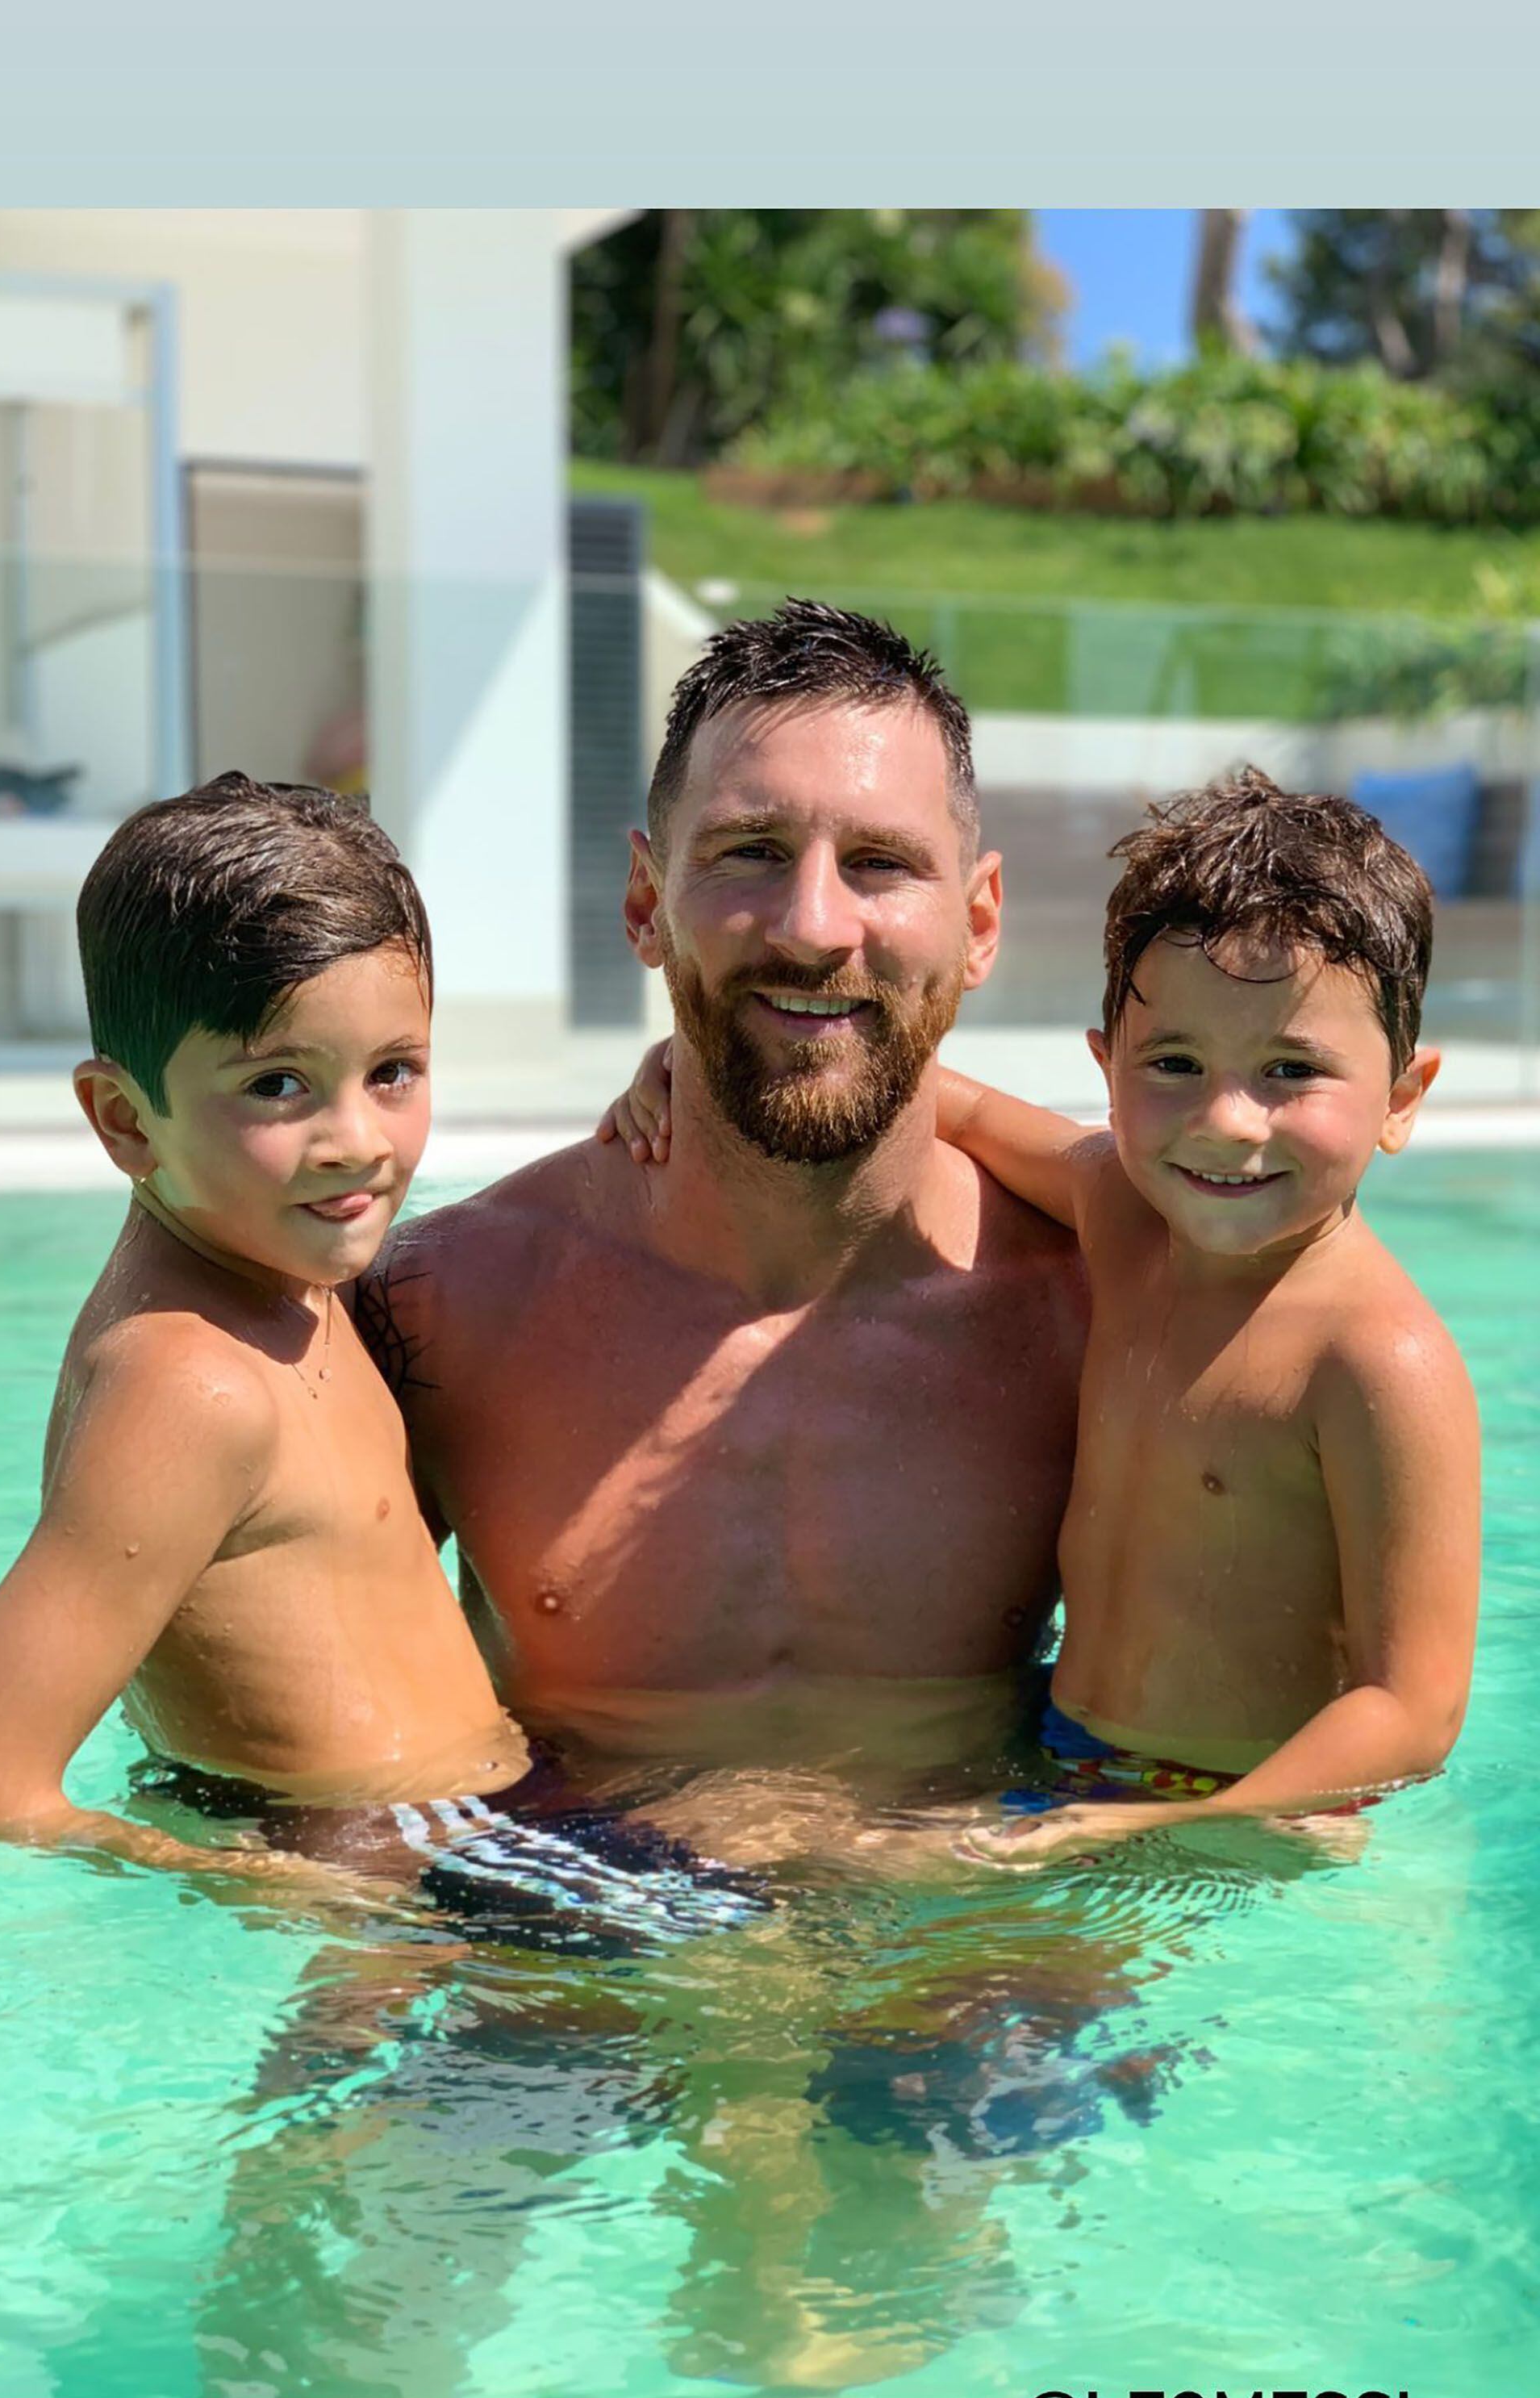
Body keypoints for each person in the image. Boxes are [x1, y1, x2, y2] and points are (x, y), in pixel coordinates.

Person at [611, 767, 1481, 1858]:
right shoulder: (1119, 1213)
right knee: (752, 1839)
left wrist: (1170, 1823)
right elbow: (955, 1106)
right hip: (1066, 1756)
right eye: (1175, 1063)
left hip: (1241, 1807)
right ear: (1106, 1069)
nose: (1225, 1119)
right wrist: (696, 1067)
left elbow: (1415, 1711)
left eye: (1289, 1071)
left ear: (1401, 1099)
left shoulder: (1375, 1359)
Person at [364, 601, 1087, 1823]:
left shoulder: (1088, 1316)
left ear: (977, 923)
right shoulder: (444, 1307)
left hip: (975, 1930)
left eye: (881, 862)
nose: (813, 927)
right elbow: (286, 1762)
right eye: (750, 851)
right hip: (571, 1928)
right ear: (646, 902)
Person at [0, 773, 550, 1899]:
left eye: (393, 1072)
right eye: (280, 1084)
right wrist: (249, 1879)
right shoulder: (189, 1383)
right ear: (123, 1120)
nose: (357, 1140)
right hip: (403, 1876)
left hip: (468, 1836)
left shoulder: (282, 1270)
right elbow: (2, 1777)